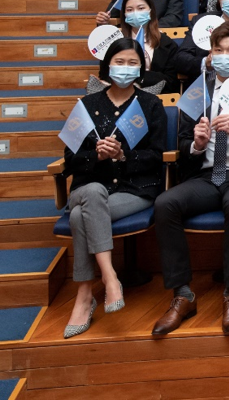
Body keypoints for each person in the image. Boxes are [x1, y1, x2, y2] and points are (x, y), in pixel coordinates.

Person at [151, 21, 229, 336]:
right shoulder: (197, 93)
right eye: (218, 50)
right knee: (165, 203)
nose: (224, 56)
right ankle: (183, 295)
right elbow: (182, 146)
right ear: (210, 54)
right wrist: (196, 144)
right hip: (206, 175)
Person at [61, 39, 165, 338]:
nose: (125, 68)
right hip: (87, 187)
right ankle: (110, 278)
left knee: (79, 216)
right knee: (93, 191)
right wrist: (97, 155)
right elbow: (70, 159)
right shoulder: (86, 105)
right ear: (107, 65)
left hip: (134, 190)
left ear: (141, 68)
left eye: (132, 63)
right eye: (119, 62)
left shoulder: (150, 105)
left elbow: (157, 156)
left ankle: (84, 295)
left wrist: (122, 156)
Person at [99, 0, 180, 94]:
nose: (135, 13)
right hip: (119, 96)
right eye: (129, 10)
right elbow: (104, 76)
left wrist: (138, 75)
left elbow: (171, 82)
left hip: (158, 97)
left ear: (150, 11)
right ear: (124, 14)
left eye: (141, 8)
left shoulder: (167, 44)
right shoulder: (114, 41)